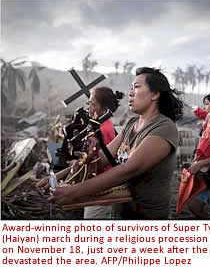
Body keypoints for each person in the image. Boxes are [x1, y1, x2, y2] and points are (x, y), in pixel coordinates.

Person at [40, 67, 183, 220]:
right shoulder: (131, 124)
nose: (130, 93)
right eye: (130, 88)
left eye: (137, 87)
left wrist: (73, 192)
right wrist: (58, 176)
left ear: (155, 94)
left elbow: (128, 170)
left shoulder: (164, 127)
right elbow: (102, 158)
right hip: (121, 210)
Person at [37, 86, 124, 219]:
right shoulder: (100, 126)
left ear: (105, 110)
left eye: (92, 104)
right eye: (88, 103)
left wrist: (68, 172)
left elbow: (96, 161)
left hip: (101, 188)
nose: (88, 107)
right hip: (94, 184)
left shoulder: (103, 129)